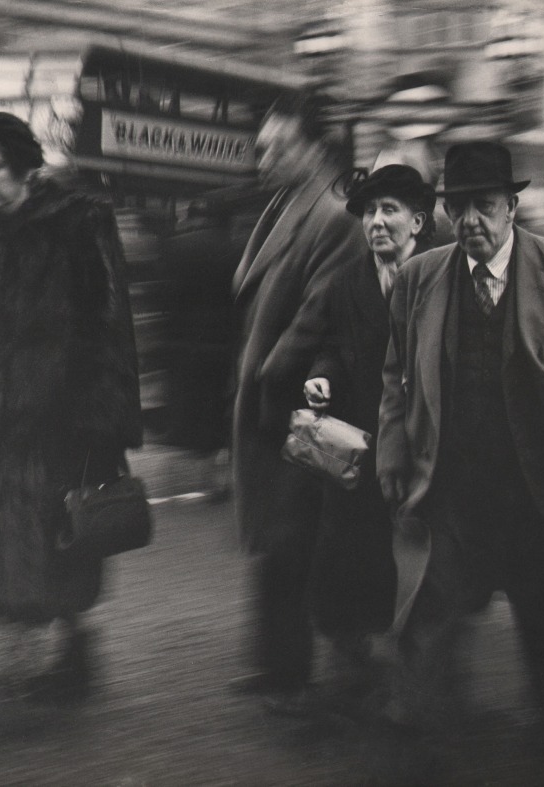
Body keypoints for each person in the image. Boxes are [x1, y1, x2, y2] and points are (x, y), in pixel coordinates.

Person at [376, 141, 544, 745]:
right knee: (431, 613)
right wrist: (392, 449)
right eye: (459, 206)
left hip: (539, 492)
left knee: (543, 617)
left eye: (485, 206)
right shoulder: (420, 278)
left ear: (512, 207)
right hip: (454, 489)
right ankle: (415, 736)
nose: (470, 220)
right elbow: (394, 376)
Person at [0, 111, 142, 700]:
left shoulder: (76, 225)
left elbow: (109, 326)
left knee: (65, 536)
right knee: (11, 537)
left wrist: (103, 420)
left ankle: (75, 652)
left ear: (23, 168)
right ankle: (37, 651)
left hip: (63, 423)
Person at [230, 91, 375, 713]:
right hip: (279, 409)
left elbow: (318, 316)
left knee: (305, 541)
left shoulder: (337, 214)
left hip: (312, 412)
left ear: (316, 149)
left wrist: (269, 370)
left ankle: (328, 669)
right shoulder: (289, 204)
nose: (262, 157)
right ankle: (282, 665)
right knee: (283, 539)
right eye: (261, 146)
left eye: (276, 146)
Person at [299, 164, 439, 692]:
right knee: (344, 553)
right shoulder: (345, 283)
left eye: (390, 210)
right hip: (354, 440)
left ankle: (411, 671)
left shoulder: (443, 279)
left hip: (419, 446)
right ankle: (351, 664)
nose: (376, 223)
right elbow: (330, 347)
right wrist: (320, 379)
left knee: (415, 559)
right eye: (369, 212)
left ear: (418, 221)